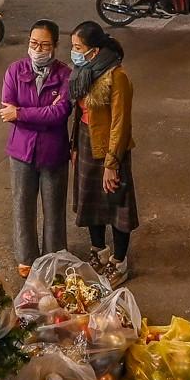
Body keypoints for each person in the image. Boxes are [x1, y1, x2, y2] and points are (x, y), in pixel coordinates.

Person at [0, 21, 73, 274]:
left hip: (54, 152)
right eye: (33, 43)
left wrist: (21, 113)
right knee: (22, 204)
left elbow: (60, 113)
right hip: (21, 152)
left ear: (54, 46)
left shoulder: (65, 75)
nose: (37, 49)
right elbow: (6, 110)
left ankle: (55, 256)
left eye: (44, 44)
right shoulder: (14, 71)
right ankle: (26, 258)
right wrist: (39, 114)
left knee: (54, 207)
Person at [68, 22, 136, 285]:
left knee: (116, 202)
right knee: (90, 200)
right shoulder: (84, 71)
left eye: (78, 48)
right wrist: (74, 145)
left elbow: (121, 123)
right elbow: (79, 113)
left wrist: (112, 163)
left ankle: (119, 262)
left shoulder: (117, 76)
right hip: (86, 141)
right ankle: (99, 251)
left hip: (110, 147)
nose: (73, 52)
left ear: (94, 51)